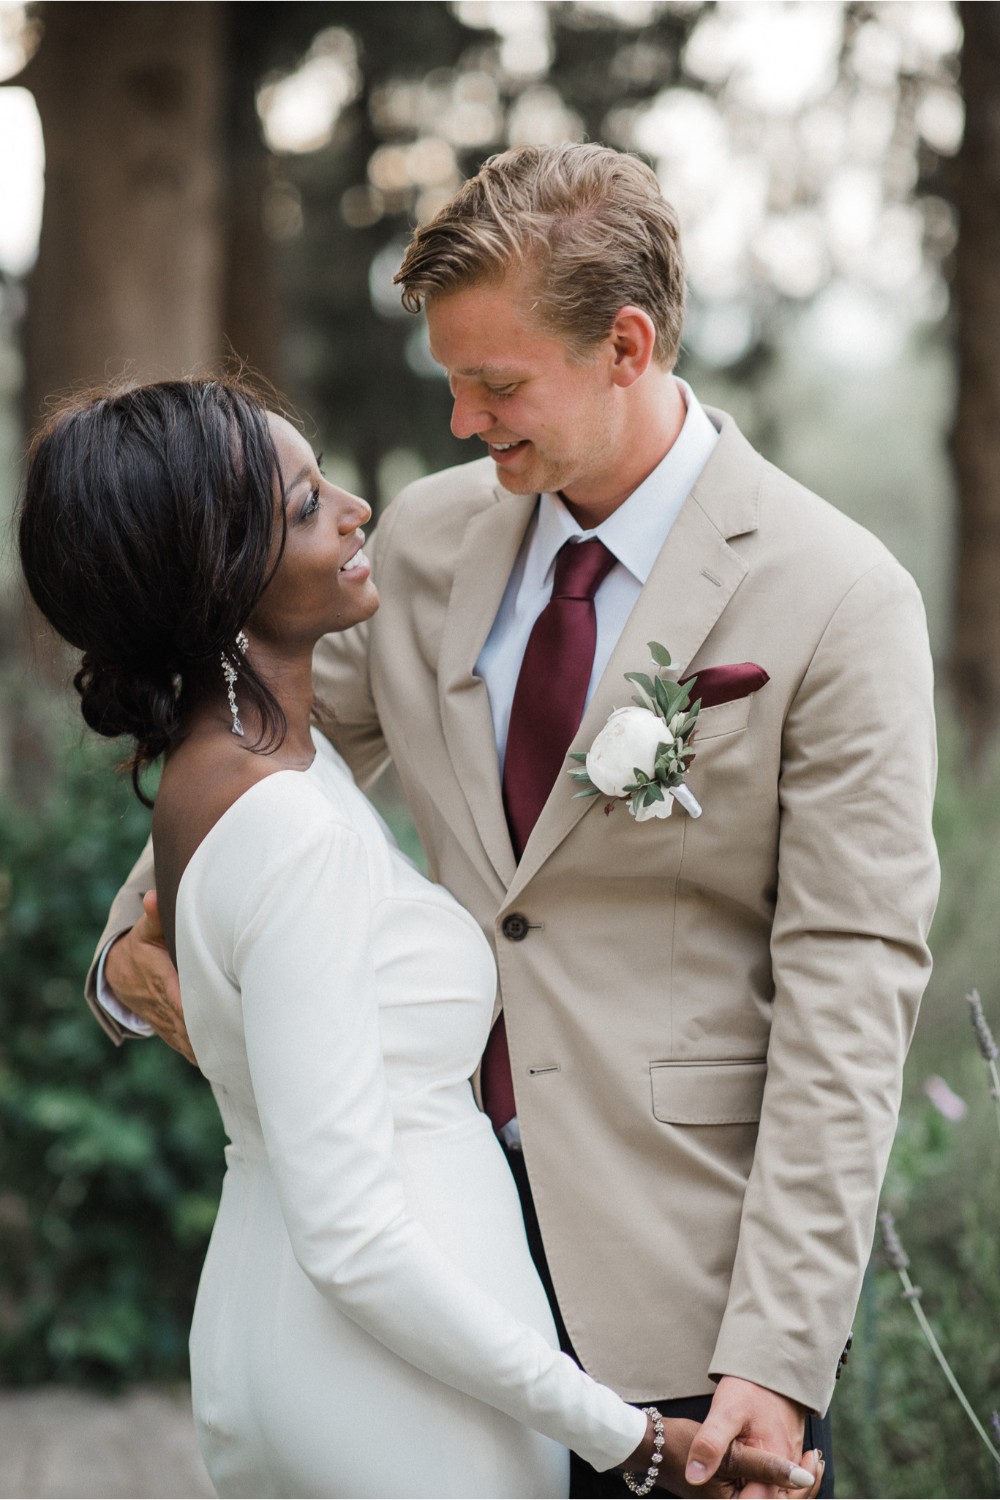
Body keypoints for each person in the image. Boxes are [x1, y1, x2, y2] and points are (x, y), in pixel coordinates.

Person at [91, 144, 938, 1499]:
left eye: (496, 384)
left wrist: (775, 1357)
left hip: (686, 1288)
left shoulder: (841, 596)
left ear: (627, 344)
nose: (461, 422)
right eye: (447, 380)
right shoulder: (423, 548)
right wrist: (134, 950)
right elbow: (249, 773)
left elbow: (852, 988)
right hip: (426, 1266)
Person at [22, 380, 818, 1500]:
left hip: (299, 1333)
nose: (356, 510)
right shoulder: (292, 826)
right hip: (393, 1391)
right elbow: (355, 1237)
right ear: (222, 572)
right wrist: (628, 1438)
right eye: (306, 505)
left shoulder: (230, 776)